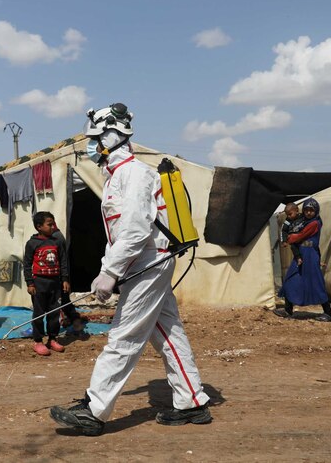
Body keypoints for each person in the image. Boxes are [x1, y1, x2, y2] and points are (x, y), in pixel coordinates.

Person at [50, 103, 211, 436]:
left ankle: (94, 410)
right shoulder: (115, 175)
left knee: (124, 336)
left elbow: (136, 229)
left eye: (94, 138)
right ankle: (192, 400)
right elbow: (121, 231)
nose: (90, 145)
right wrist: (110, 269)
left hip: (149, 262)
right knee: (168, 332)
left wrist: (110, 272)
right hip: (148, 261)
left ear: (111, 136)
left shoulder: (133, 173)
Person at [273, 199, 331, 322]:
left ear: (316, 211)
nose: (309, 213)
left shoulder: (315, 223)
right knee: (290, 279)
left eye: (311, 210)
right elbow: (290, 231)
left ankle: (328, 313)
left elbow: (299, 236)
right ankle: (288, 310)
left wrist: (291, 237)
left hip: (310, 255)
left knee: (316, 283)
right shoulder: (302, 221)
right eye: (306, 210)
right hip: (302, 254)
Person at [23, 211, 71, 355]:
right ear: (39, 227)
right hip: (39, 284)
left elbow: (63, 262)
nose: (53, 227)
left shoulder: (57, 242)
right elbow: (27, 264)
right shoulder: (32, 243)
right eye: (49, 224)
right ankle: (38, 341)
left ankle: (52, 338)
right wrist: (30, 283)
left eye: (53, 224)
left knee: (54, 312)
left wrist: (65, 279)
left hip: (55, 284)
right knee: (39, 313)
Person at [51, 221, 86, 334]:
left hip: (58, 277)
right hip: (53, 276)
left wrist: (64, 278)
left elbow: (62, 261)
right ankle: (71, 318)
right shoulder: (50, 237)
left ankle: (73, 319)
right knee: (61, 301)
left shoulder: (57, 238)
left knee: (62, 300)